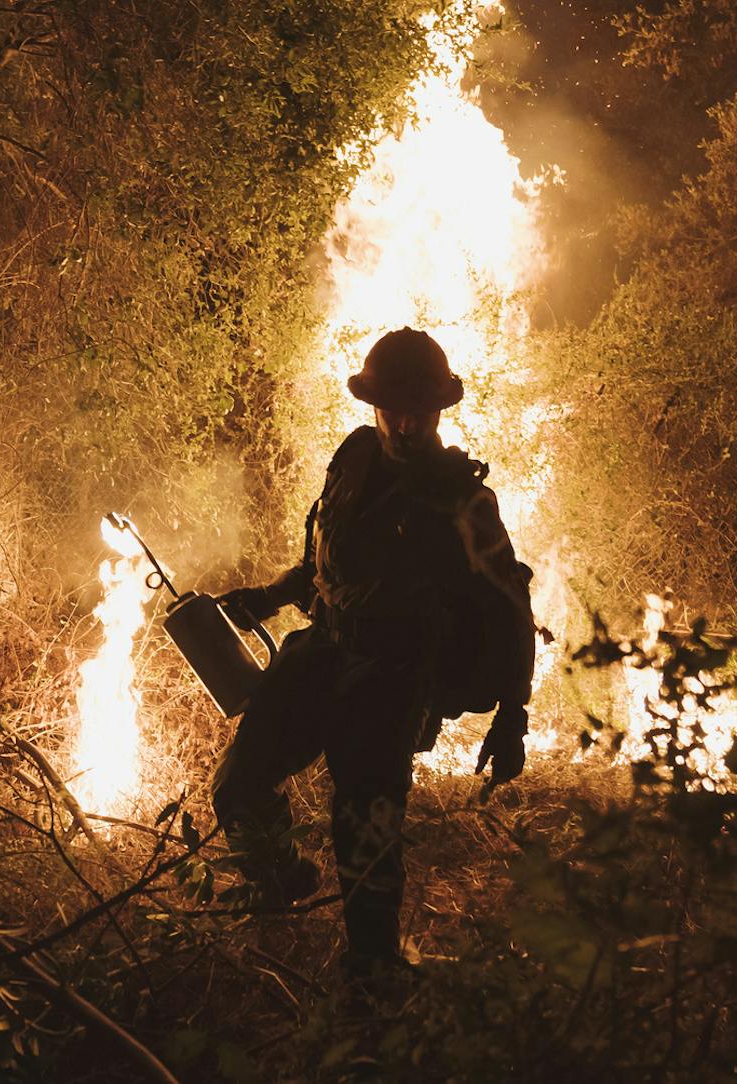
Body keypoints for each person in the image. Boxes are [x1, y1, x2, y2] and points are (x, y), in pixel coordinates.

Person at [212, 327, 538, 983]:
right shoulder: (354, 458)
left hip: (393, 679)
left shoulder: (462, 500)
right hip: (324, 649)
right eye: (395, 406)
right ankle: (282, 880)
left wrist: (512, 716)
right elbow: (321, 562)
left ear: (441, 409)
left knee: (364, 833)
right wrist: (270, 598)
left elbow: (509, 607)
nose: (408, 422)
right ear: (375, 405)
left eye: (422, 408)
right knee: (237, 788)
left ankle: (374, 971)